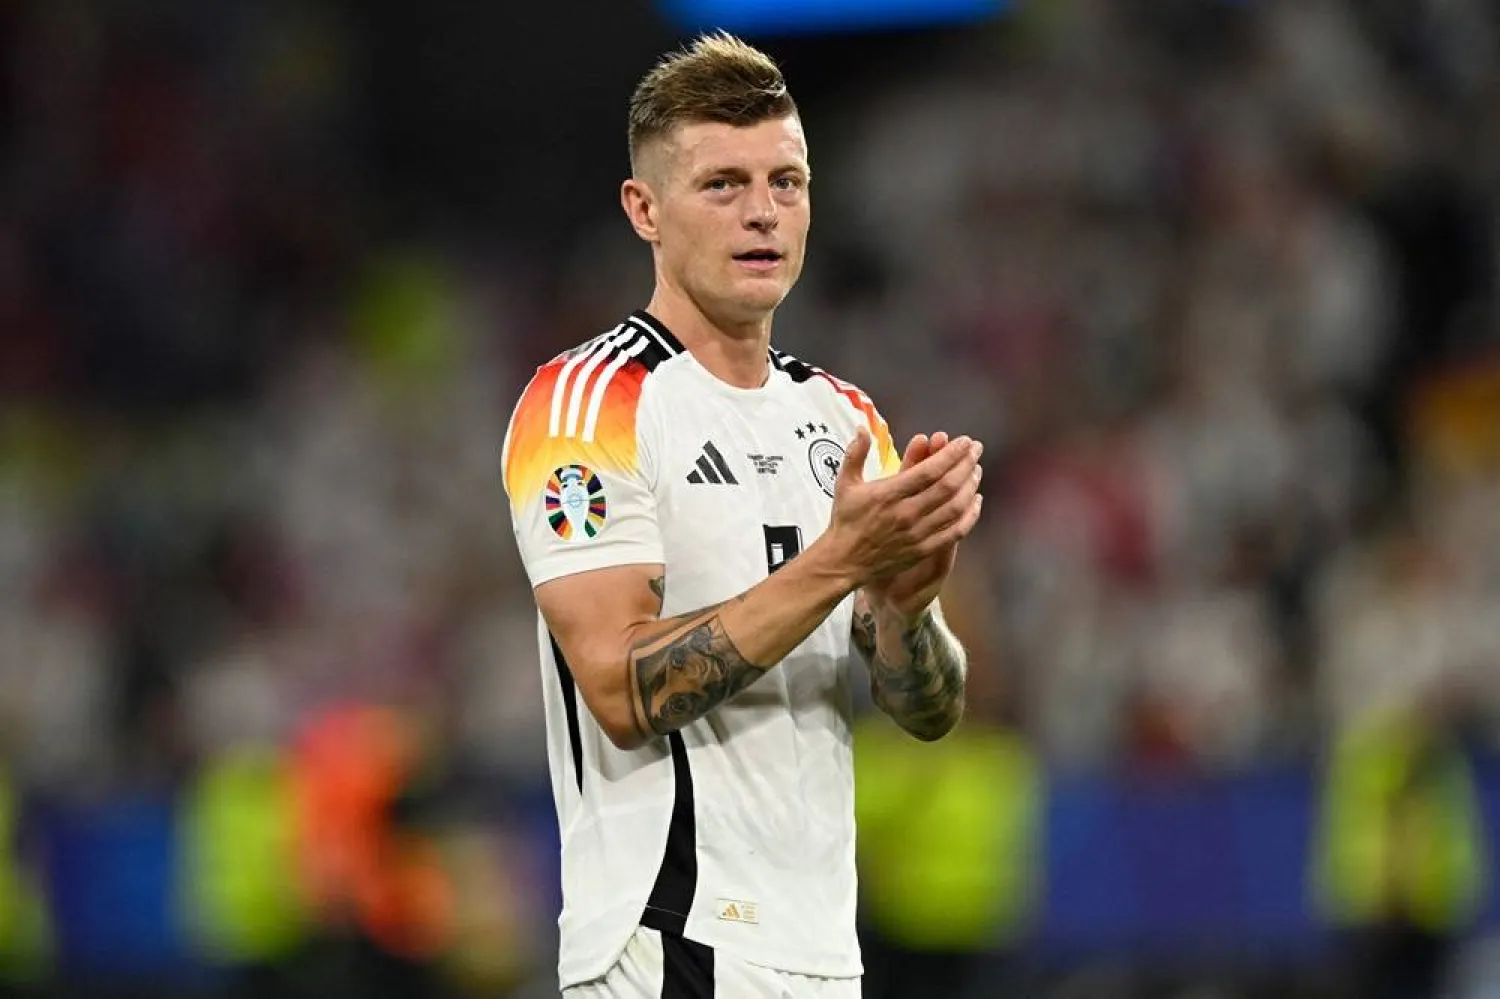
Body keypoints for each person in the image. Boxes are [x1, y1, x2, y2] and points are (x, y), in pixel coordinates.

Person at [501, 32, 983, 998]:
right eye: (722, 184)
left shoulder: (842, 419)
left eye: (787, 182)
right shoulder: (585, 403)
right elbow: (621, 689)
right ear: (645, 209)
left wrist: (904, 608)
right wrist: (842, 560)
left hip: (818, 948)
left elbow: (927, 709)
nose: (763, 212)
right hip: (666, 940)